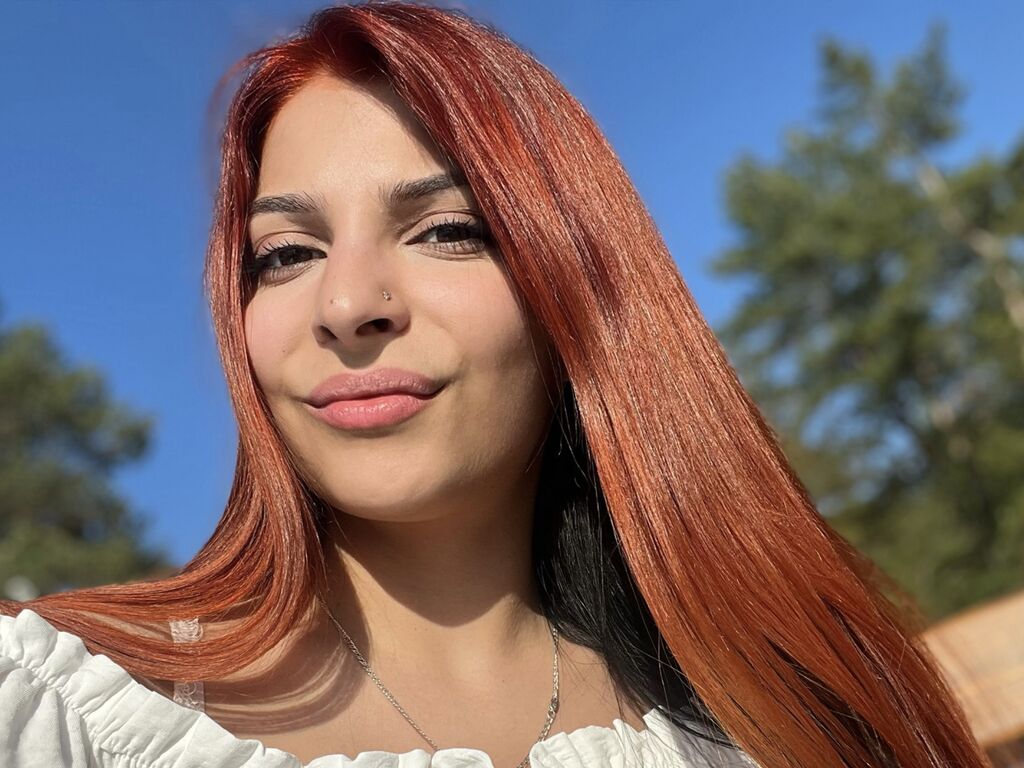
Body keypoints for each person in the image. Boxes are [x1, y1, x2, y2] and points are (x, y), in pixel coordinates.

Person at [0, 2, 992, 767]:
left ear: (577, 288)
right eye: (288, 252)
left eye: (446, 231)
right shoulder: (53, 711)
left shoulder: (784, 721)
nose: (346, 304)